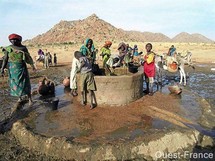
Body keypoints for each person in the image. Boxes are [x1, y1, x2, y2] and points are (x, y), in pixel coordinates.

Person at [0, 33, 36, 108]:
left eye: (15, 40)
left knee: (25, 83)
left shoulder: (23, 48)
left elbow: (28, 58)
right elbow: (5, 59)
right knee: (15, 83)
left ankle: (30, 98)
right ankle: (20, 98)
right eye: (12, 40)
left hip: (22, 68)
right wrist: (2, 69)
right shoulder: (8, 48)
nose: (13, 41)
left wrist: (32, 66)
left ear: (19, 40)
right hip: (12, 69)